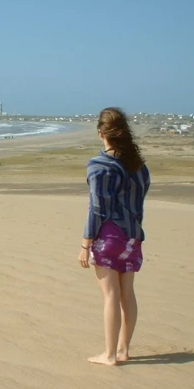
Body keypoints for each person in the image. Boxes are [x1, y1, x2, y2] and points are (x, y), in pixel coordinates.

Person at [79, 107, 150, 366]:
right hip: (132, 236)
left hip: (108, 236)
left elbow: (97, 208)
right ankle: (123, 350)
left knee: (111, 295)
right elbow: (139, 202)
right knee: (127, 294)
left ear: (101, 133)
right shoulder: (138, 166)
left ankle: (110, 355)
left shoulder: (100, 166)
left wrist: (85, 244)